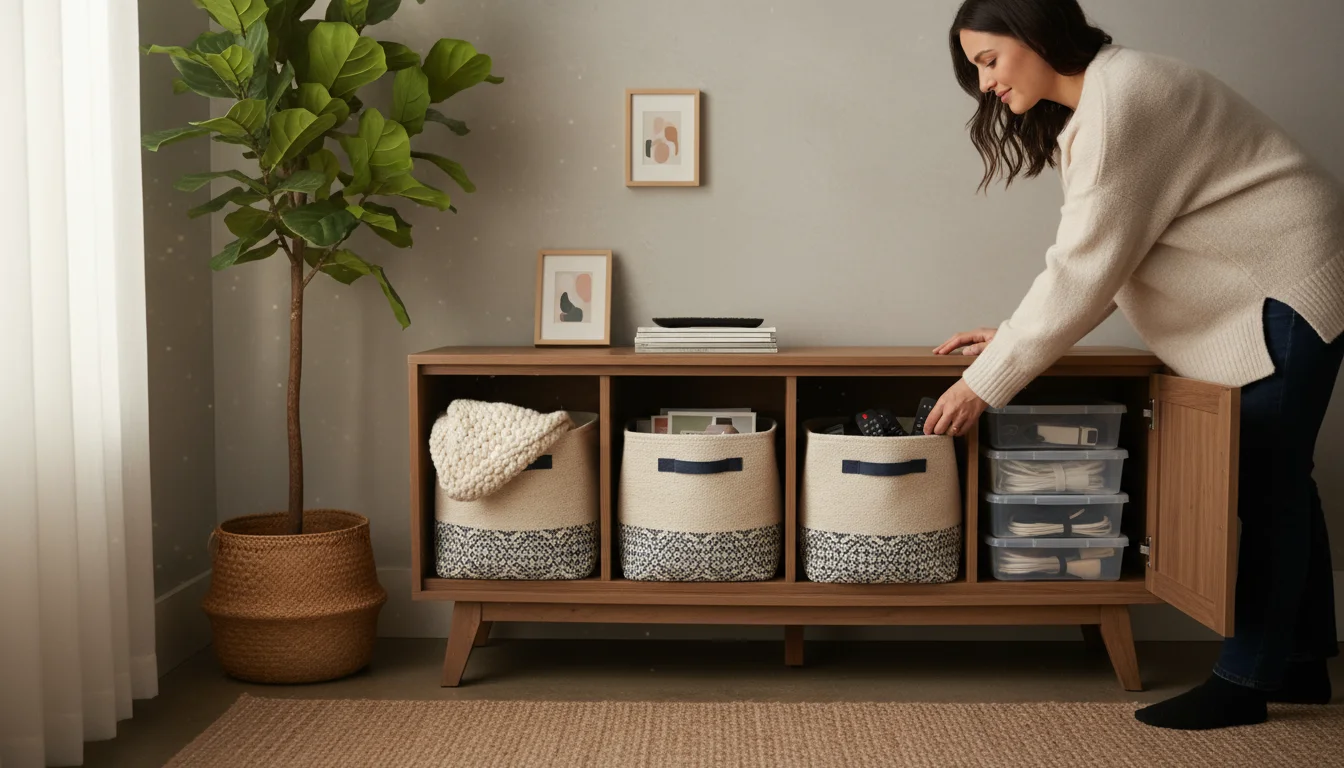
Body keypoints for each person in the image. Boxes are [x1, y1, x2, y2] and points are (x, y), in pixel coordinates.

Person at [927, 0, 1344, 730]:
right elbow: (1109, 257)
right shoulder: (1100, 106)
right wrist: (1016, 335)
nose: (985, 83)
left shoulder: (1122, 100)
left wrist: (984, 383)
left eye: (988, 60)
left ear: (1032, 33)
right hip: (1280, 281)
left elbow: (1083, 269)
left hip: (1286, 282)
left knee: (1268, 481)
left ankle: (1245, 680)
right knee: (1282, 480)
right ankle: (1299, 664)